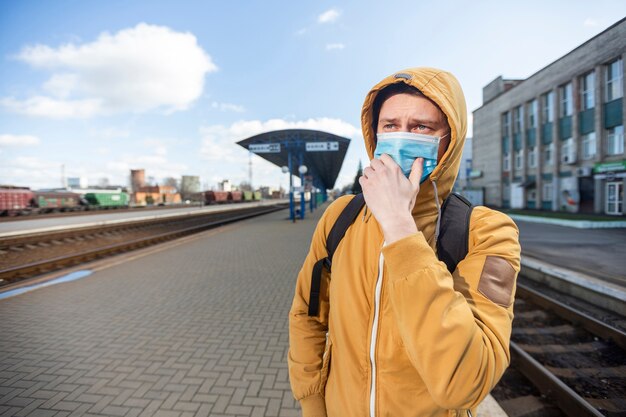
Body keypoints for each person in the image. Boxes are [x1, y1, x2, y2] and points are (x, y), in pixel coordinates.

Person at [288, 67, 521, 417]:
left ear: (451, 140)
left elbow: (466, 381)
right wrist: (312, 403)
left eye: (421, 127)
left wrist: (400, 228)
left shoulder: (486, 232)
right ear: (374, 132)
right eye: (390, 125)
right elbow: (307, 315)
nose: (400, 137)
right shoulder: (340, 216)